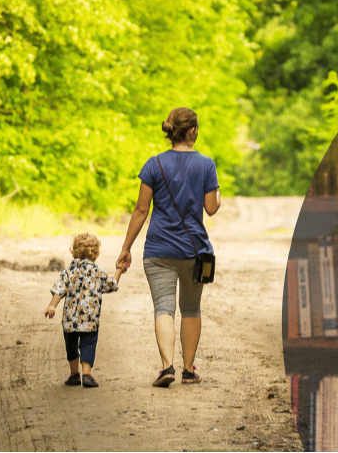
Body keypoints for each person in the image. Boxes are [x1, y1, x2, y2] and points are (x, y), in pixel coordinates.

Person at [116, 107, 221, 388]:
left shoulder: (154, 164)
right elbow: (211, 209)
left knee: (163, 307)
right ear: (192, 131)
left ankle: (167, 367)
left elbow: (140, 210)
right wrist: (217, 195)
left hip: (158, 250)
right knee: (191, 308)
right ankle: (188, 369)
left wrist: (126, 248)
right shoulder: (206, 165)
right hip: (195, 252)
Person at [45, 233, 124, 388]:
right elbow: (112, 285)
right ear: (95, 254)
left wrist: (52, 305)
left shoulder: (69, 271)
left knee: (71, 346)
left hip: (70, 321)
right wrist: (119, 270)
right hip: (90, 319)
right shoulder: (98, 272)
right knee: (88, 344)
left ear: (73, 251)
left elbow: (59, 289)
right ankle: (87, 375)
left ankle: (75, 374)